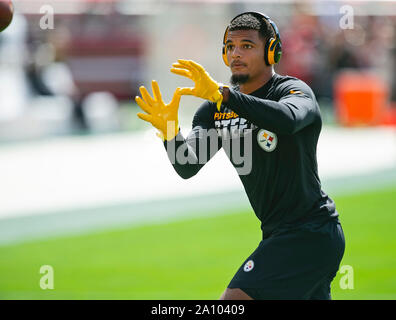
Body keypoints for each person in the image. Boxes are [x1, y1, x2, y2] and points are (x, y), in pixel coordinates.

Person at [135, 12, 345, 300]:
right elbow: (188, 164)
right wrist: (170, 131)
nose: (236, 53)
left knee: (231, 301)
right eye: (230, 47)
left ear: (271, 51)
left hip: (310, 232)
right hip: (280, 235)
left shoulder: (291, 91)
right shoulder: (215, 109)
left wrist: (226, 96)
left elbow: (288, 120)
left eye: (247, 45)